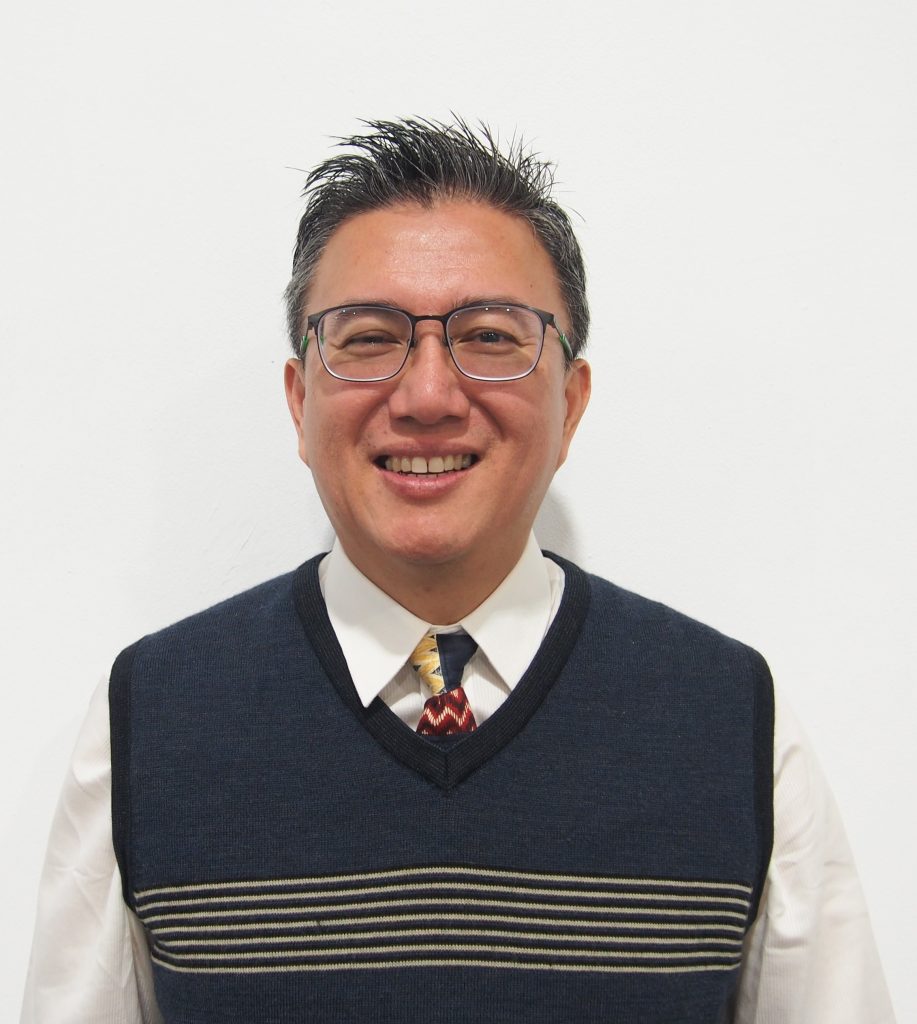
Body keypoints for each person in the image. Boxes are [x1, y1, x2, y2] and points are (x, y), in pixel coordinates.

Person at [21, 118, 895, 1023]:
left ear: (570, 403)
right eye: (368, 338)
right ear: (299, 399)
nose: (428, 396)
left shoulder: (731, 718)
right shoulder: (151, 718)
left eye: (487, 336)